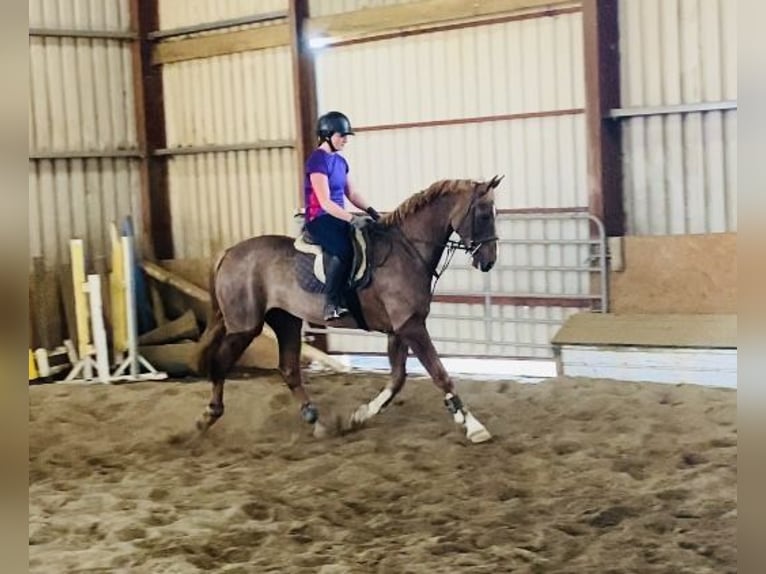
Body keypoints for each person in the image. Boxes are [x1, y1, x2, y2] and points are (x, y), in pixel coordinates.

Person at [303, 111, 381, 321]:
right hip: (320, 218)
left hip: (338, 216)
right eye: (341, 135)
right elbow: (325, 202)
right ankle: (332, 303)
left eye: (346, 136)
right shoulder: (317, 160)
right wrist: (352, 219)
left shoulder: (340, 161)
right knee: (345, 250)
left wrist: (371, 211)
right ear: (327, 135)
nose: (346, 140)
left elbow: (352, 193)